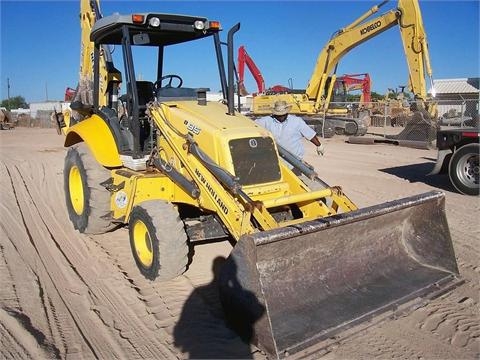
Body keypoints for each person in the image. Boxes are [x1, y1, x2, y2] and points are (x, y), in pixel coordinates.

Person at [255, 100, 325, 159]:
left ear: (287, 112)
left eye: (283, 114)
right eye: (279, 115)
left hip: (295, 160)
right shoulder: (266, 121)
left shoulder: (297, 121)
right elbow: (251, 125)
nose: (281, 117)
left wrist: (319, 145)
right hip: (275, 159)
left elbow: (309, 134)